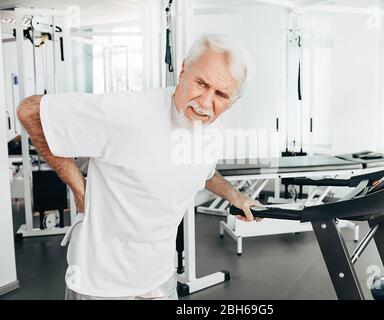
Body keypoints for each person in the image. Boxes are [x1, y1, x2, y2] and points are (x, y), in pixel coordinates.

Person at [17, 33, 263, 300]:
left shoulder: (211, 130)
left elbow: (203, 171)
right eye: (201, 83)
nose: (205, 103)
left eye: (221, 94)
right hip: (101, 286)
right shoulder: (128, 112)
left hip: (160, 280)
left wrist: (236, 196)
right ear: (183, 71)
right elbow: (30, 111)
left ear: (233, 102)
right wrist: (79, 188)